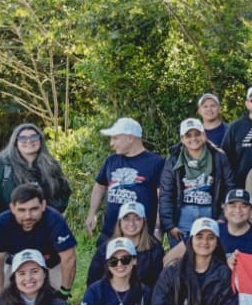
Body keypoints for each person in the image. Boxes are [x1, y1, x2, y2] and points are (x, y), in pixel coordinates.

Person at [84, 117, 166, 258]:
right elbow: (100, 185)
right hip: (110, 234)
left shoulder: (156, 163)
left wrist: (158, 229)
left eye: (115, 138)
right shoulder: (111, 161)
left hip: (140, 238)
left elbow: (162, 198)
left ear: (130, 138)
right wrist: (92, 213)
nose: (111, 143)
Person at [0, 183, 78, 295]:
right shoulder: (0, 224)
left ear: (43, 205)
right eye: (22, 210)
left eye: (33, 209)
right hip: (15, 265)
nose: (28, 216)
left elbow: (69, 258)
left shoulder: (55, 220)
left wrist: (64, 291)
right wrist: (0, 298)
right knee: (7, 304)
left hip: (50, 264)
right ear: (12, 208)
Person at [0, 123, 72, 226]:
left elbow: (63, 194)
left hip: (45, 232)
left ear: (40, 140)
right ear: (15, 142)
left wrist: (50, 219)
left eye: (34, 137)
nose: (29, 141)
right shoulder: (3, 167)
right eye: (23, 138)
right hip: (11, 232)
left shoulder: (52, 166)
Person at [159, 117, 233, 246]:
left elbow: (229, 187)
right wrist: (170, 225)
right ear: (182, 139)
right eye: (188, 135)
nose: (193, 139)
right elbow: (166, 193)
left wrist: (223, 217)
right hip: (183, 216)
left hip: (211, 213)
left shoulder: (219, 156)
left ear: (204, 135)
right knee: (180, 260)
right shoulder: (173, 159)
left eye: (197, 134)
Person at [93, 201, 162, 287]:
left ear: (144, 221)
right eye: (126, 218)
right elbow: (93, 281)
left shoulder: (155, 249)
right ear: (119, 221)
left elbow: (159, 285)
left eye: (137, 218)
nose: (131, 223)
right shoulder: (105, 248)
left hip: (143, 298)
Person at [217, 189, 252, 267]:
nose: (238, 210)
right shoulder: (214, 233)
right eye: (232, 206)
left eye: (243, 206)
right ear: (225, 210)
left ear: (251, 210)